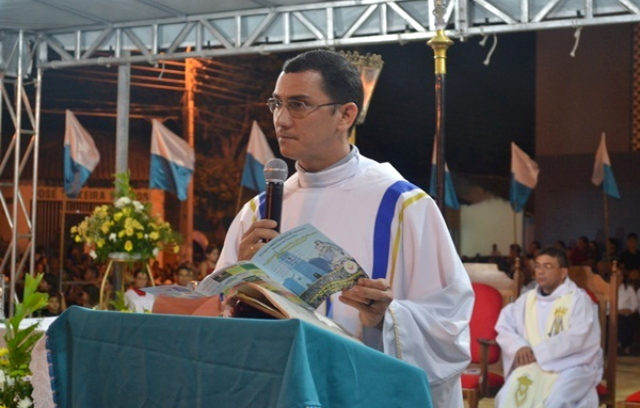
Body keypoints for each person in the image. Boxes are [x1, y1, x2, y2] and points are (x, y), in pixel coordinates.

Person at [215, 49, 474, 406]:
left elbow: (449, 321)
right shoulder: (256, 212)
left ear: (346, 114)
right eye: (276, 104)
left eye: (299, 105)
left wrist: (384, 318)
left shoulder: (402, 206)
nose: (282, 120)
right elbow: (218, 322)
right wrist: (239, 280)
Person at [494, 247, 603, 407]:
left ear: (563, 272)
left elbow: (579, 336)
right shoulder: (527, 300)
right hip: (533, 365)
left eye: (548, 266)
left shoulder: (578, 299)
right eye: (538, 266)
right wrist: (519, 346)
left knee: (555, 402)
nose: (540, 271)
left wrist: (538, 352)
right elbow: (504, 326)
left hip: (572, 366)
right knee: (506, 398)